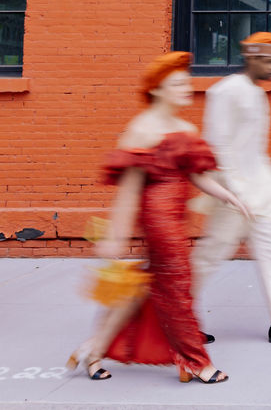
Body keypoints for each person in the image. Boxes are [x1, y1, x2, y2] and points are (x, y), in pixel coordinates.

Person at [67, 52, 250, 383]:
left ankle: (91, 352)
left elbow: (195, 175)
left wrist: (230, 196)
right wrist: (116, 235)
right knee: (177, 288)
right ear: (157, 89)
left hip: (176, 220)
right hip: (158, 222)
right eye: (177, 83)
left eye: (186, 81)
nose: (186, 88)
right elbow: (129, 188)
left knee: (141, 290)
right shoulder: (141, 128)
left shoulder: (185, 127)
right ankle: (197, 362)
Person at [191, 32, 271, 343]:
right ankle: (174, 317)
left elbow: (253, 148)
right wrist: (235, 191)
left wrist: (267, 186)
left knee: (270, 254)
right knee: (210, 256)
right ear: (252, 57)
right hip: (234, 196)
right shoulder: (226, 91)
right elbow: (217, 146)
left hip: (261, 192)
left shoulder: (256, 93)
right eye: (270, 60)